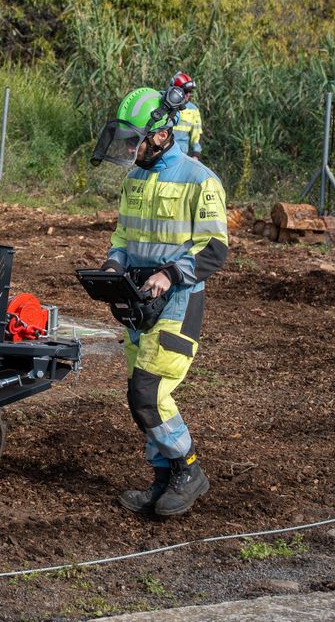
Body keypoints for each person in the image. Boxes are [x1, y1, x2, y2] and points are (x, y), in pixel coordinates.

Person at [90, 86, 229, 516]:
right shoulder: (135, 179)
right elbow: (123, 237)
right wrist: (113, 266)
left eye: (138, 139)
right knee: (140, 396)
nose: (131, 148)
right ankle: (162, 478)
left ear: (164, 134)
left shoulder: (198, 179)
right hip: (138, 300)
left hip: (178, 301)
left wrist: (169, 274)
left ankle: (189, 469)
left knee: (148, 392)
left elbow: (214, 249)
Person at [169, 71, 202, 158]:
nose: (188, 94)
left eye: (190, 92)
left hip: (181, 154)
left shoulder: (193, 110)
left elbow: (197, 134)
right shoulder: (166, 105)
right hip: (162, 151)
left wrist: (196, 154)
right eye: (186, 91)